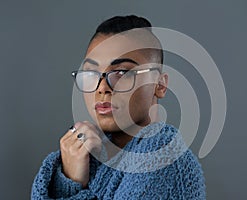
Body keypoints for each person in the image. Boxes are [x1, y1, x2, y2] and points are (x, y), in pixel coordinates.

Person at [31, 15, 206, 199]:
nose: (102, 88)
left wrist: (70, 183)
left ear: (160, 85)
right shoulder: (88, 156)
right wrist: (69, 178)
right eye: (91, 73)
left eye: (121, 73)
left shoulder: (166, 158)